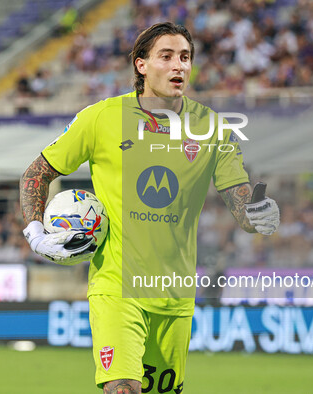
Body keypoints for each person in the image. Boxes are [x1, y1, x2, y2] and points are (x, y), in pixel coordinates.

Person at [20, 22, 280, 394]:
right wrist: (35, 234)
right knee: (122, 388)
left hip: (175, 293)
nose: (179, 66)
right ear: (141, 65)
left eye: (186, 57)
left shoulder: (212, 128)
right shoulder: (101, 118)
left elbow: (239, 199)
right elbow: (36, 173)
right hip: (116, 287)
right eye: (167, 56)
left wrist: (258, 214)